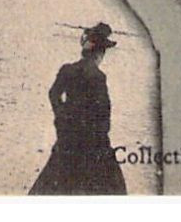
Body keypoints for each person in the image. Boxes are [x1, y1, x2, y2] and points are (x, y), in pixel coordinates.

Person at [29, 23, 127, 195]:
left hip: (68, 136)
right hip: (90, 140)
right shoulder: (98, 77)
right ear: (99, 54)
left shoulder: (67, 70)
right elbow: (103, 112)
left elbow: (53, 94)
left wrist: (61, 116)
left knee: (55, 180)